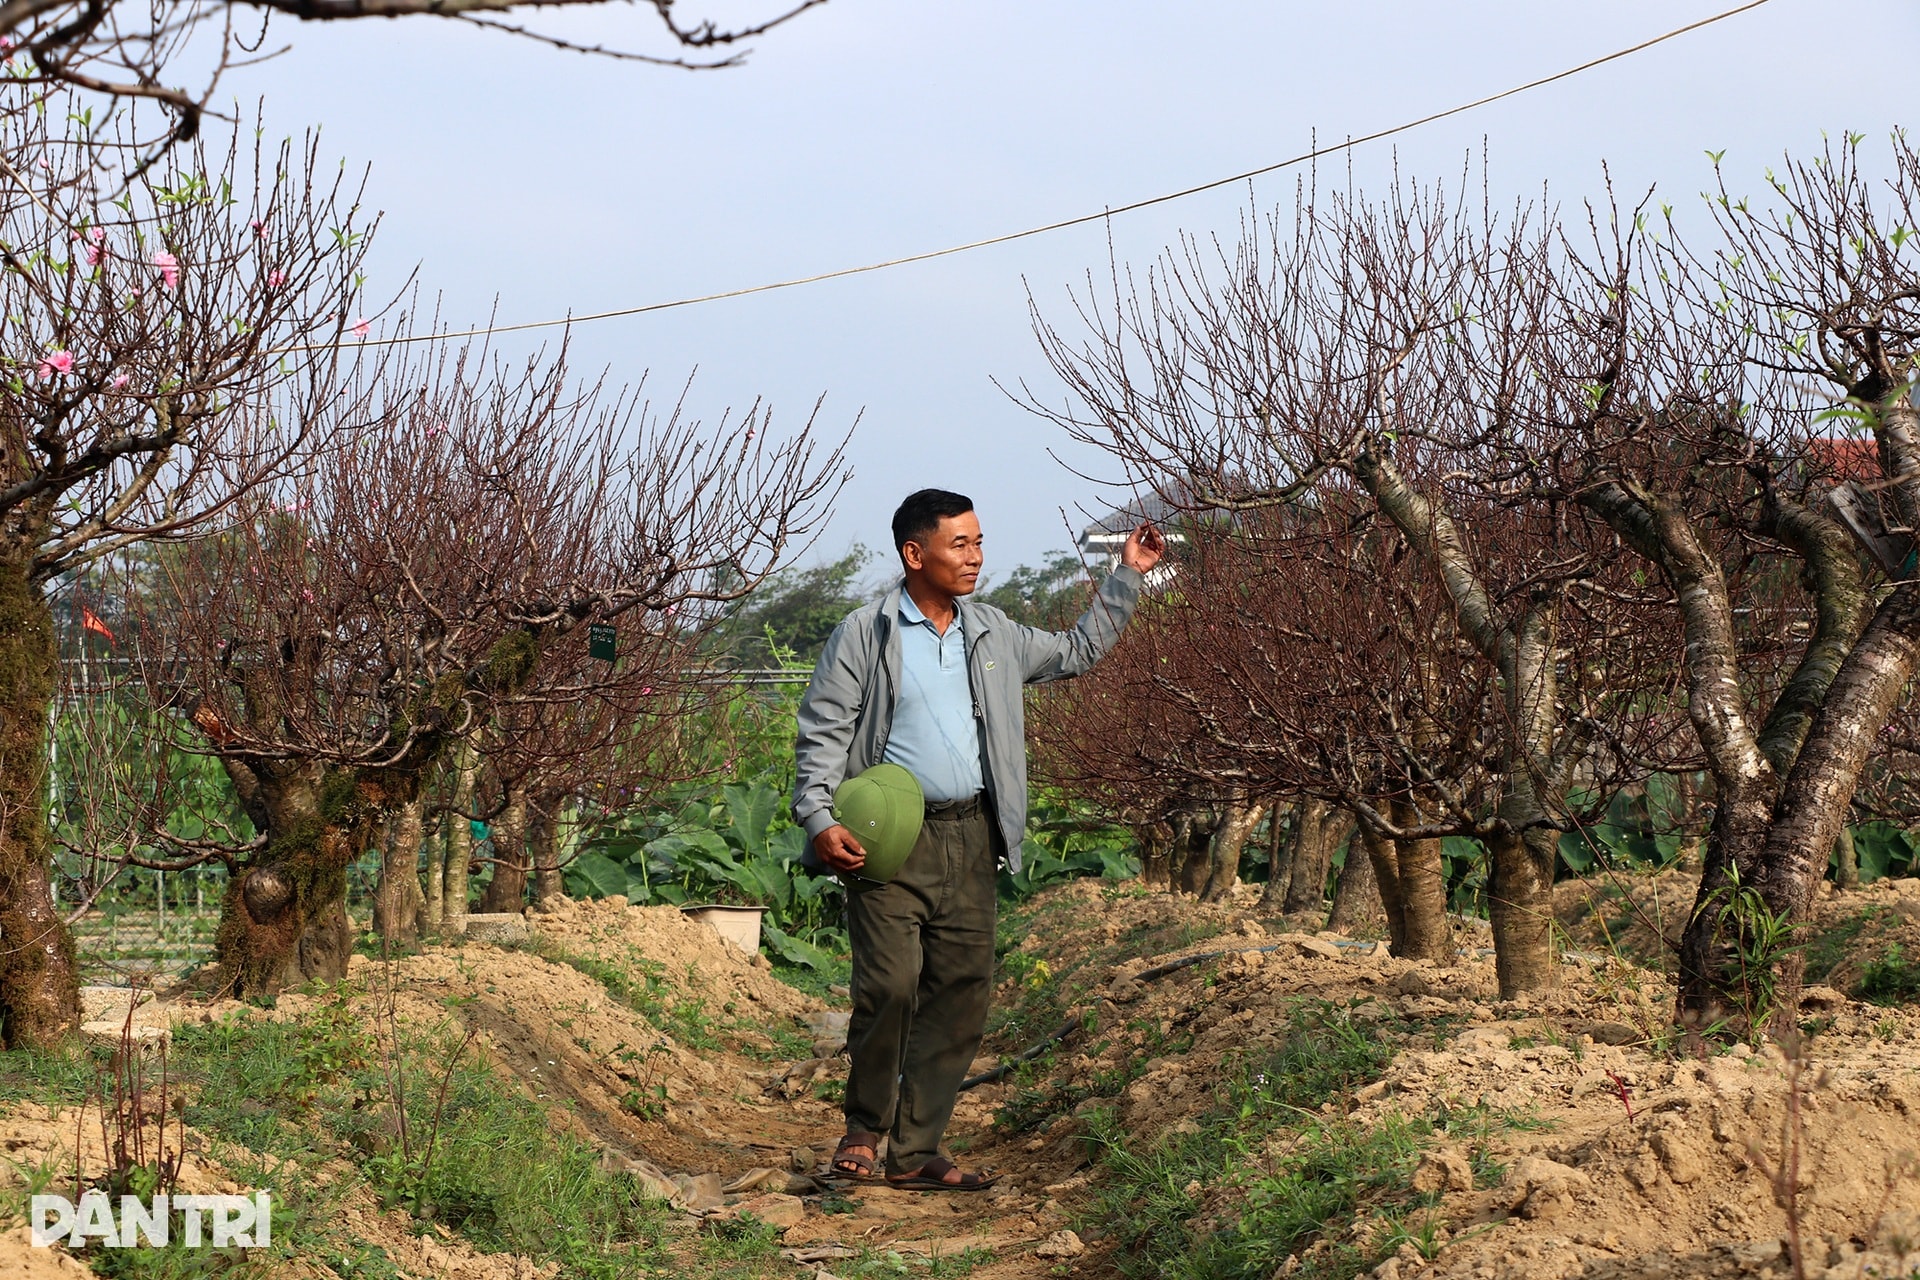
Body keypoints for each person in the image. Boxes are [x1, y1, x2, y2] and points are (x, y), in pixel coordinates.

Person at [792, 488, 1164, 1189]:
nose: (976, 557)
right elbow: (822, 735)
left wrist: (1129, 573)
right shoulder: (863, 635)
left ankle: (915, 1151)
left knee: (962, 992)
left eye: (979, 542)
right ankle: (865, 1126)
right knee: (891, 986)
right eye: (960, 544)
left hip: (971, 834)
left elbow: (1078, 651)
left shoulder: (992, 632)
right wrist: (821, 818)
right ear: (914, 553)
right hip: (887, 841)